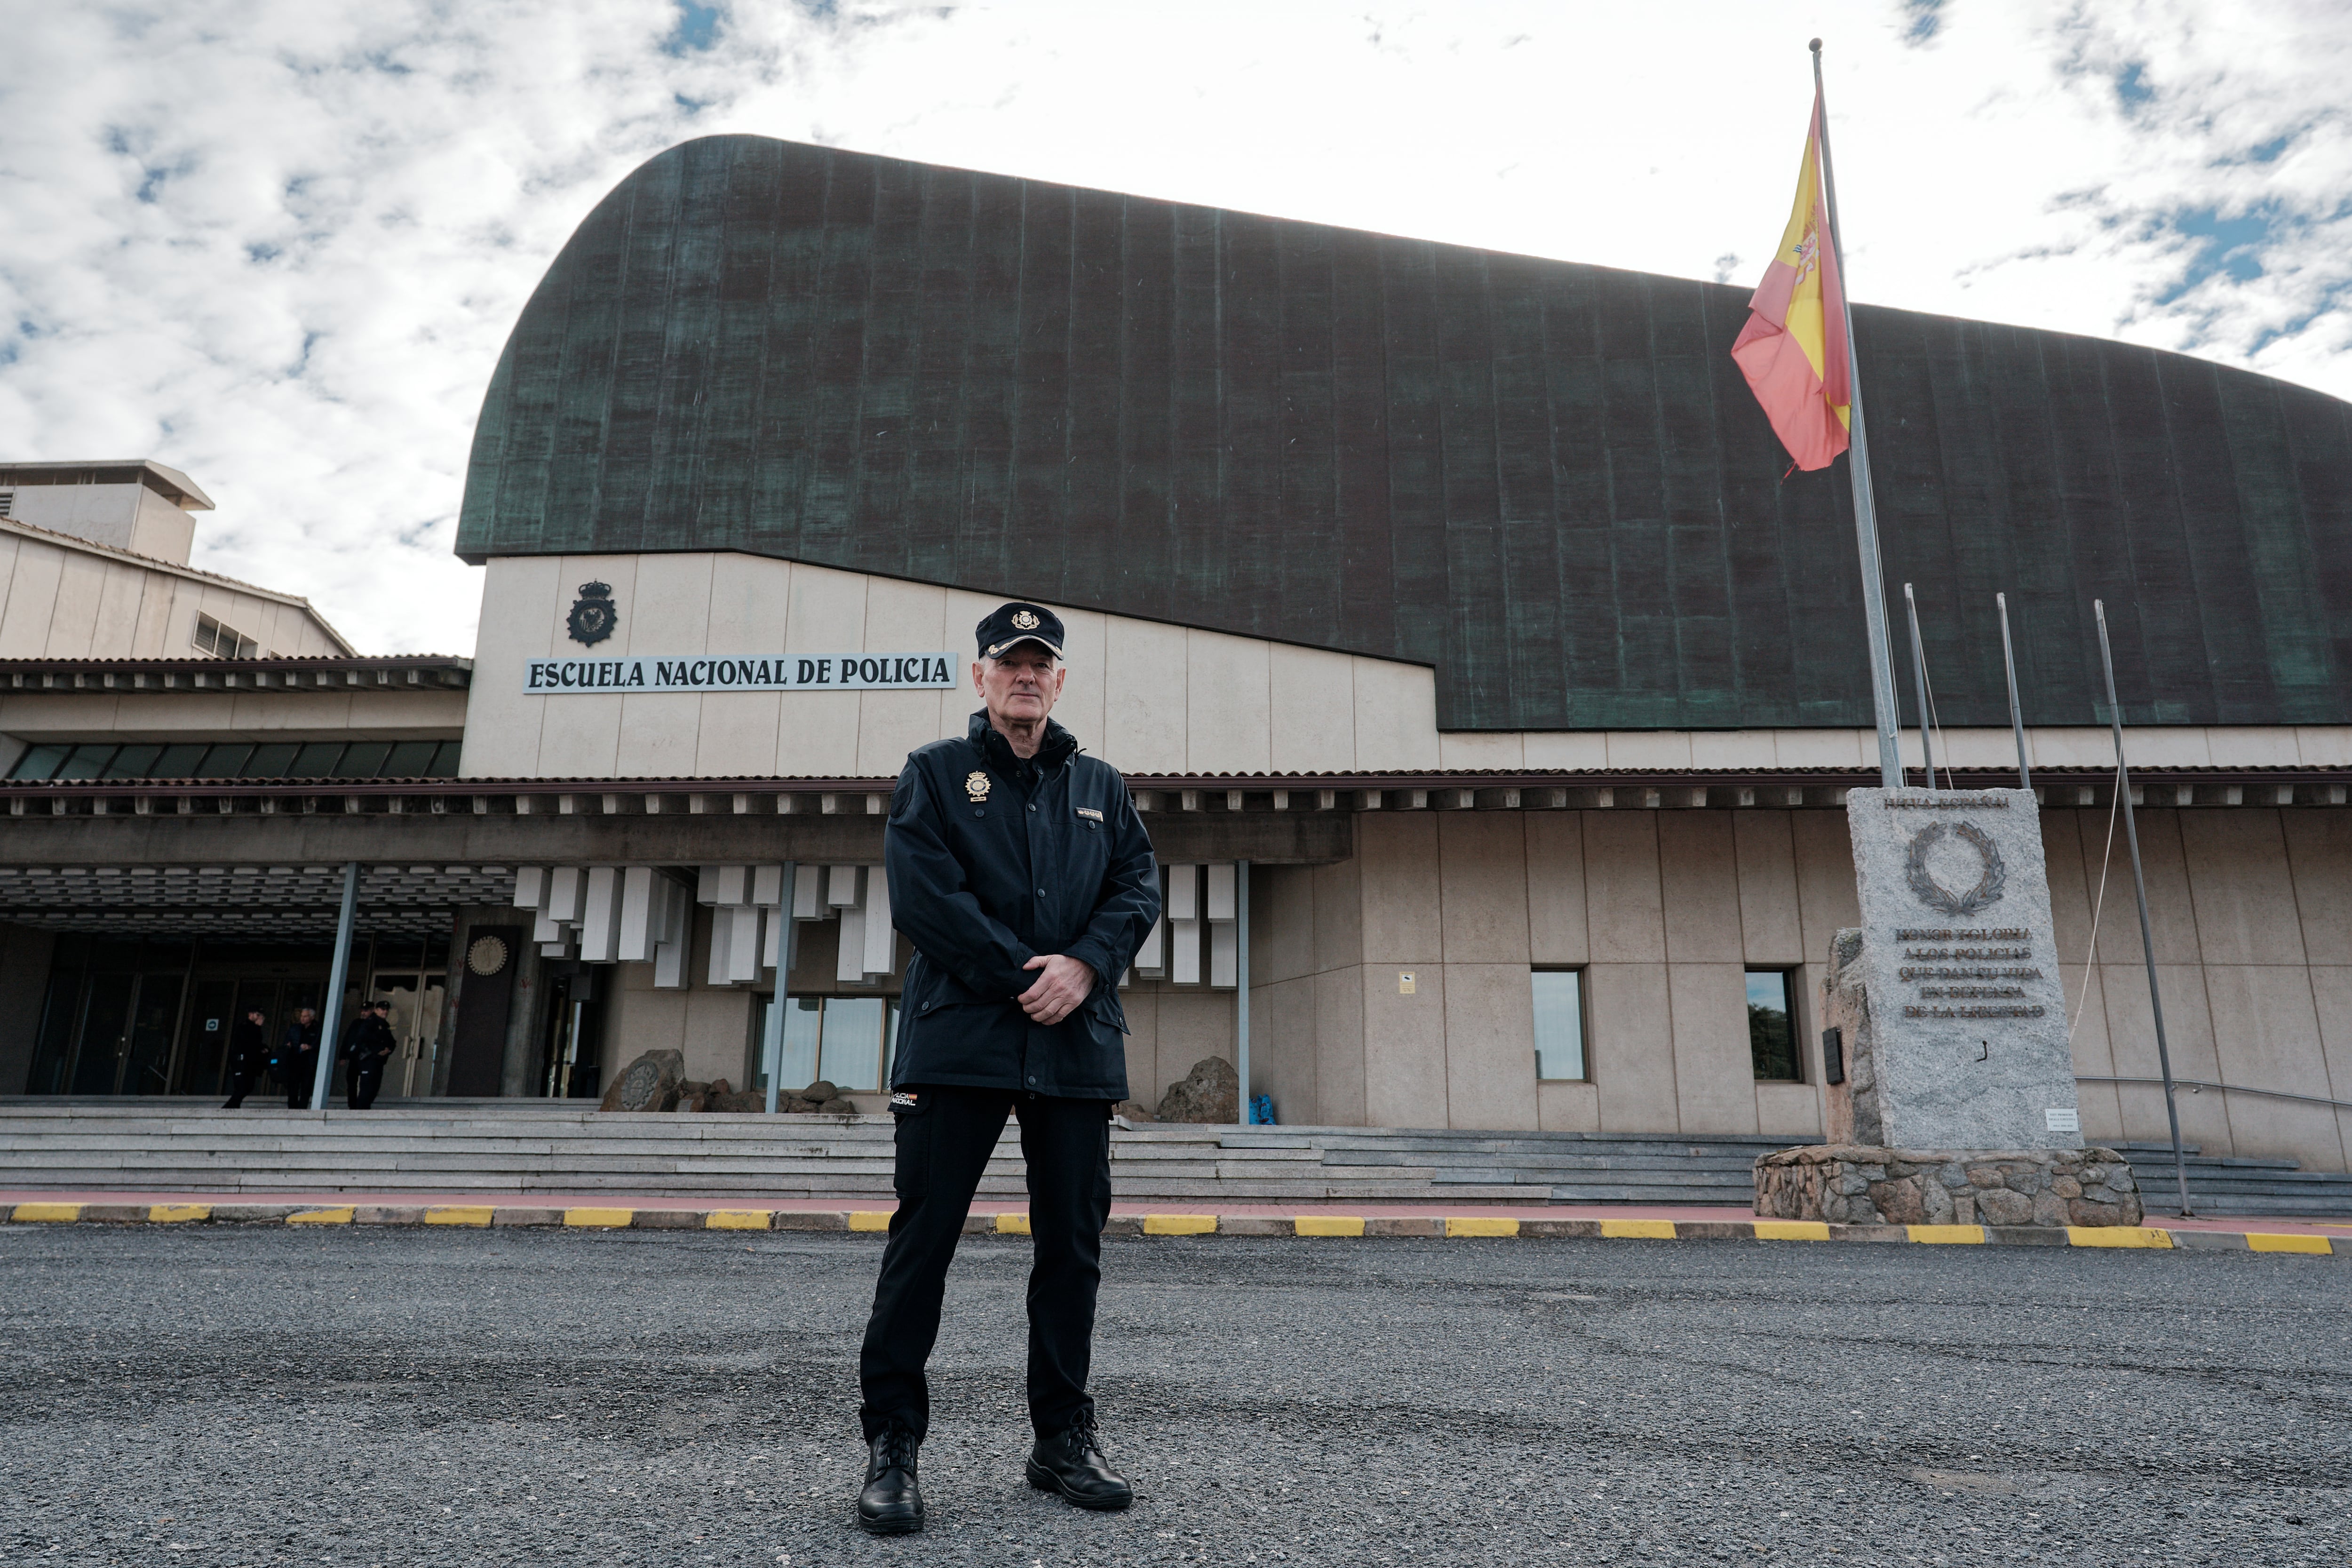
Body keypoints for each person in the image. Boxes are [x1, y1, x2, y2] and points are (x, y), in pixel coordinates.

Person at [853, 602, 1161, 1536]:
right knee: (926, 1240)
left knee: (1071, 1249)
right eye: (1009, 662)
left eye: (1042, 664)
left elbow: (1136, 886)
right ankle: (893, 1444)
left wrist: (1085, 965)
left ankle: (1061, 1436)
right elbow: (925, 895)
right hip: (963, 1043)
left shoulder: (1102, 786)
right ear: (979, 678)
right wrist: (1025, 973)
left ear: (1060, 681)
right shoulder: (936, 775)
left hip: (1074, 1047)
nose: (1026, 675)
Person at [343, 1000, 399, 1111]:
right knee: (367, 1087)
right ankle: (360, 1111)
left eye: (387, 1010)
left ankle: (364, 1109)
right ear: (376, 1010)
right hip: (369, 1060)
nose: (385, 1012)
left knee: (374, 1087)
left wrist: (388, 1050)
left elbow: (391, 1042)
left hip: (379, 1061)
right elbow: (362, 1040)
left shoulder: (384, 1024)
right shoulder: (370, 1022)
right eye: (383, 1009)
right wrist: (377, 1050)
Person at [221, 1007, 269, 1109]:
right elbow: (249, 1043)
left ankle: (233, 1107)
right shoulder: (245, 1027)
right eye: (257, 1015)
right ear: (251, 1014)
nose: (259, 1018)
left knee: (249, 1086)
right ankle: (228, 1108)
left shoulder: (255, 1028)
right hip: (241, 1061)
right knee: (242, 1087)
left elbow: (256, 1044)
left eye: (261, 1016)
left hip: (250, 1063)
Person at [278, 1007, 321, 1110]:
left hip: (308, 1062)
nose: (303, 1019)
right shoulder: (295, 1028)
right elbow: (286, 1041)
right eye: (302, 1016)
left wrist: (310, 1047)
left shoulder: (318, 1029)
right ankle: (292, 1107)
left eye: (305, 1016)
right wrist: (288, 1046)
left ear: (312, 1017)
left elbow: (320, 1044)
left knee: (306, 1087)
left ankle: (302, 1108)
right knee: (292, 1086)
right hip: (294, 1061)